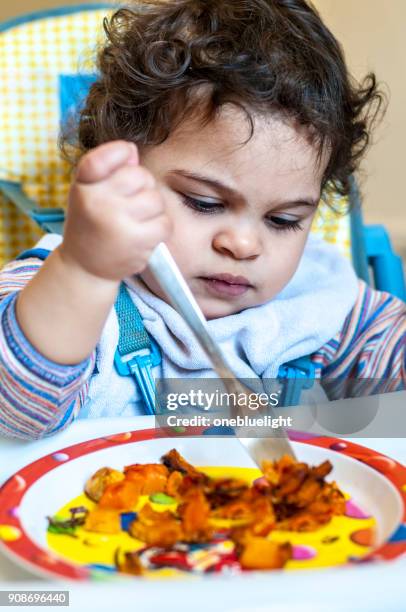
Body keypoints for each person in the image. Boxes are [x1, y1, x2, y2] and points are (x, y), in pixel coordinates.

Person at [0, 0, 404, 440]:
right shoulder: (61, 288)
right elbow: (16, 413)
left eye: (283, 219)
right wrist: (84, 269)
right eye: (205, 203)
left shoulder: (320, 303)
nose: (244, 244)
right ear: (123, 174)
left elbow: (393, 391)